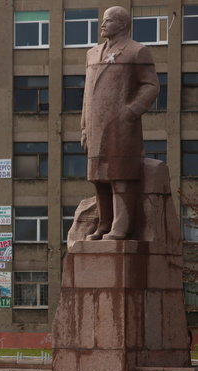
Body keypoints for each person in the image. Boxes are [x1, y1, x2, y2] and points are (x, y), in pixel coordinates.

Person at [81, 6, 159, 241]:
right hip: (95, 127)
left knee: (120, 176)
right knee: (99, 178)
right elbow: (87, 94)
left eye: (108, 20)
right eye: (103, 20)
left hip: (121, 127)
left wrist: (131, 111)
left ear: (123, 24)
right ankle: (104, 224)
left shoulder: (137, 51)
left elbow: (151, 86)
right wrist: (84, 127)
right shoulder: (92, 53)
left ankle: (121, 227)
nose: (103, 24)